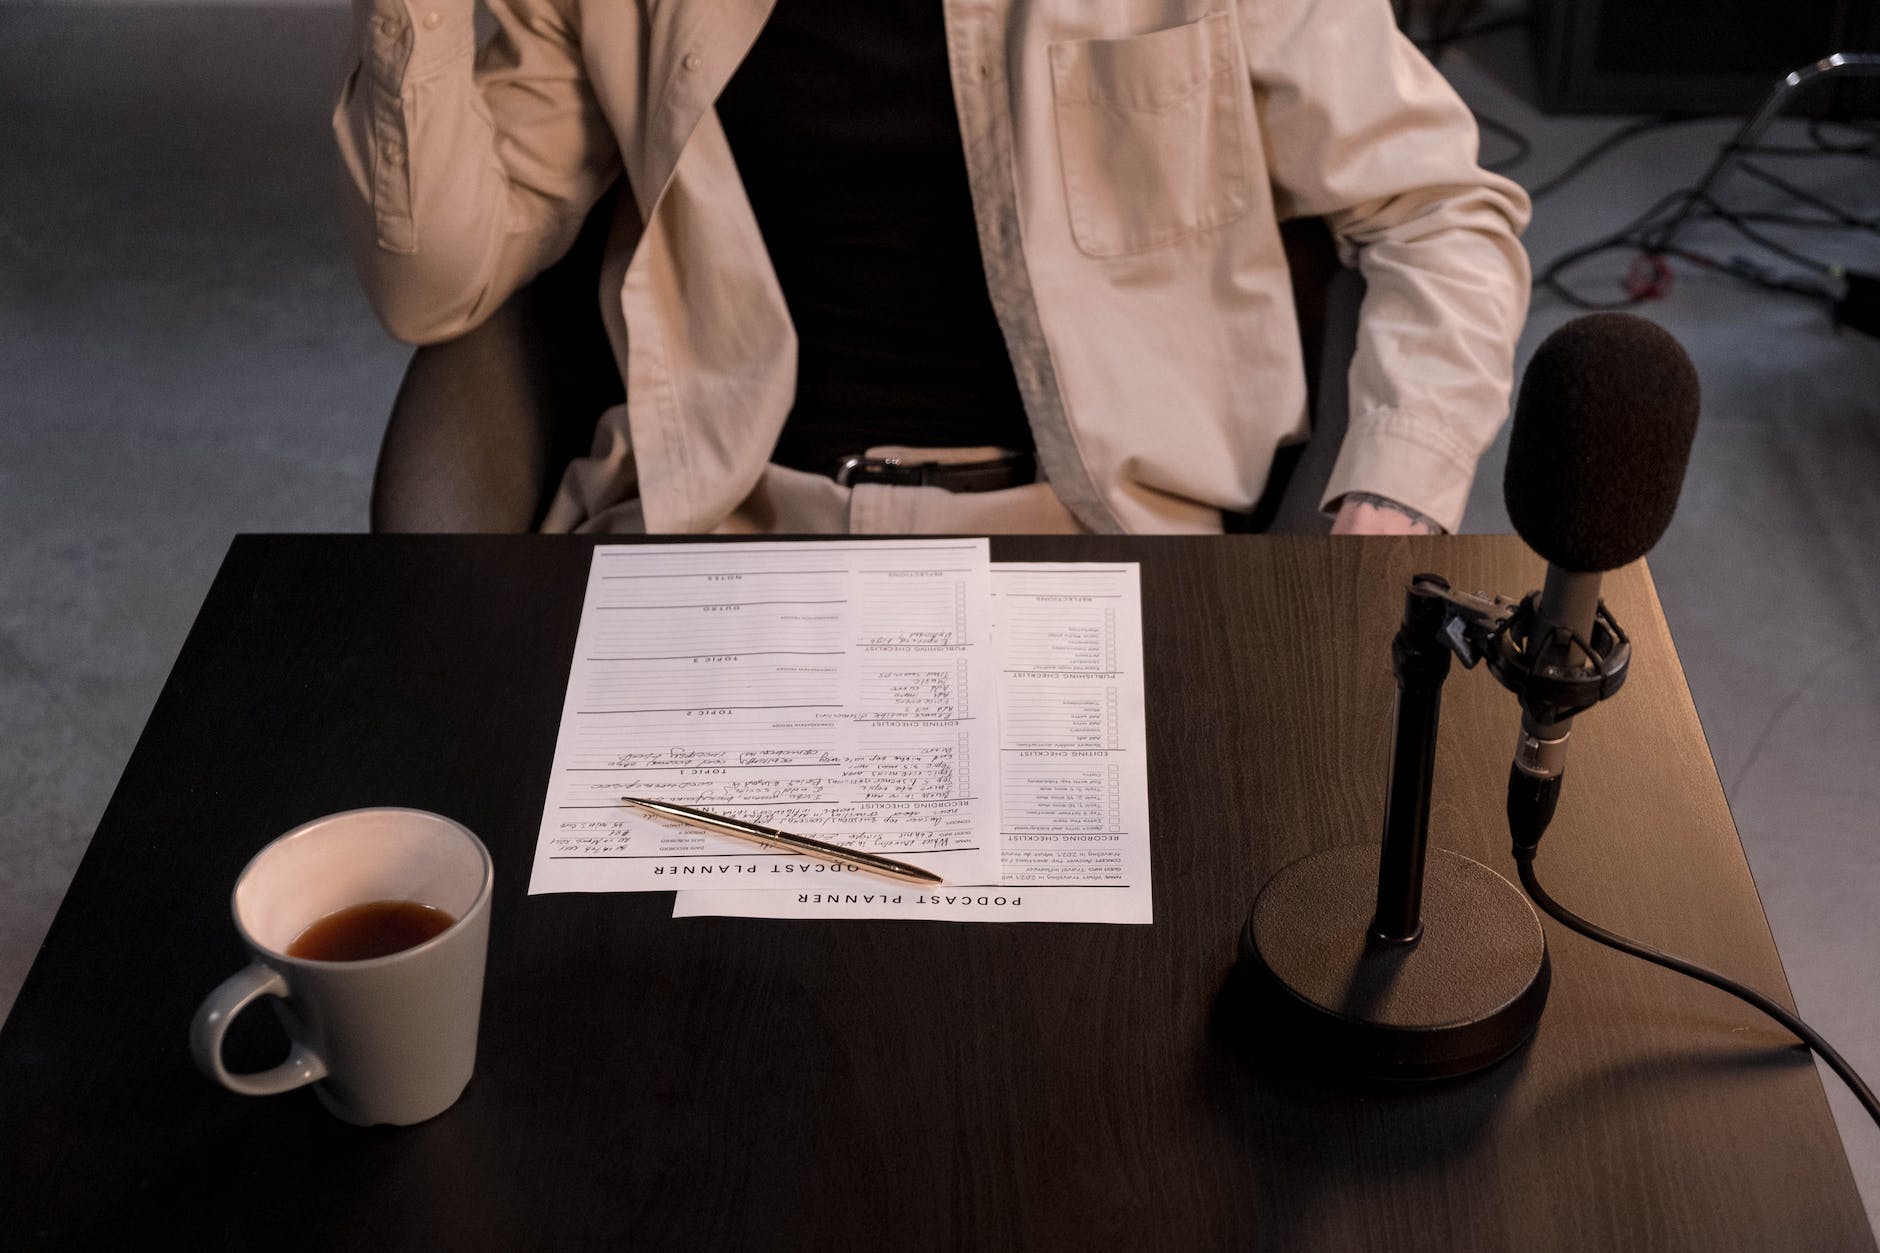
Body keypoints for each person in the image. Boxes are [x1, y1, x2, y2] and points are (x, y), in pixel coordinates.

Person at [333, 0, 1529, 537]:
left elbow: (1435, 209)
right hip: (726, 517)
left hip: (1092, 534)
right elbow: (436, 284)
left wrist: (1387, 497)